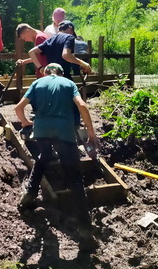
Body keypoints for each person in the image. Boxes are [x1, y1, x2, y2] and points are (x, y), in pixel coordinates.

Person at [14, 63, 100, 251]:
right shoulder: (68, 83)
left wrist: (27, 123)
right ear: (61, 73)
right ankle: (85, 232)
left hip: (42, 130)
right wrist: (91, 133)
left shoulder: (37, 83)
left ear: (45, 72)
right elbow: (82, 106)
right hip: (64, 132)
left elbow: (18, 108)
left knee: (43, 157)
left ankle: (29, 195)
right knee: (75, 179)